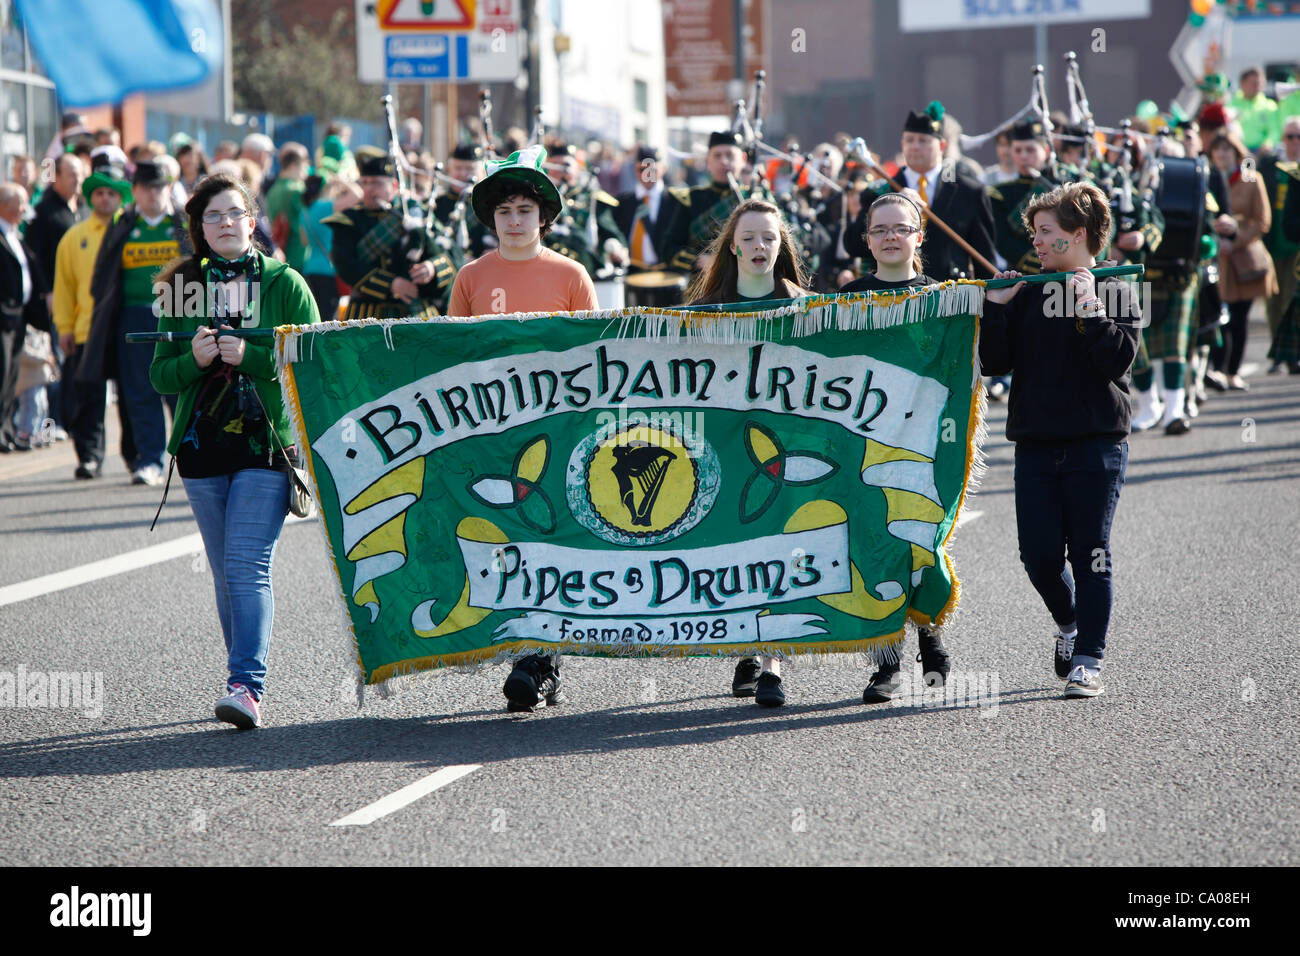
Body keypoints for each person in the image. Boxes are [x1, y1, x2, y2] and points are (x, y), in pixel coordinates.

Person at [149, 174, 321, 729]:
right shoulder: (179, 287)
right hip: (200, 448)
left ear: (253, 220)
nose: (225, 223)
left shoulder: (286, 282)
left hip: (265, 444)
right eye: (212, 216)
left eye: (234, 213)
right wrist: (192, 361)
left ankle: (246, 686)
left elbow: (313, 363)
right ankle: (239, 677)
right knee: (225, 573)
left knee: (247, 566)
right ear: (199, 228)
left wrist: (249, 355)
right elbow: (159, 376)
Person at [446, 147, 598, 712]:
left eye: (525, 210)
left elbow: (596, 356)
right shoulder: (471, 277)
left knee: (550, 534)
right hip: (492, 432)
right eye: (505, 210)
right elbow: (449, 358)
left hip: (557, 431)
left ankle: (539, 660)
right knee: (506, 538)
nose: (515, 220)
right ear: (492, 219)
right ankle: (523, 645)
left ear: (543, 218)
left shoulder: (571, 275)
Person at [981, 182, 1140, 699]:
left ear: (1078, 234)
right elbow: (993, 364)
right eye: (1035, 233)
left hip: (1097, 443)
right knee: (1039, 557)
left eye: (1046, 232)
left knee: (1091, 552)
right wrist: (998, 307)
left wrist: (1090, 307)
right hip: (1036, 443)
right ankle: (1068, 624)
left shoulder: (1116, 286)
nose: (1038, 242)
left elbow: (1117, 362)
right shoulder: (1026, 289)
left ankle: (1089, 659)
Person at [680, 198, 811, 707]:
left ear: (782, 248)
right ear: (733, 244)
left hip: (781, 449)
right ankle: (745, 649)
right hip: (724, 449)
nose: (760, 246)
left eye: (770, 239)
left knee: (778, 545)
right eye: (751, 237)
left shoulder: (807, 306)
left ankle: (773, 666)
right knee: (737, 547)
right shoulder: (704, 312)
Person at [837, 193, 954, 701]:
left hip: (925, 439)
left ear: (918, 237)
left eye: (900, 229)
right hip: (866, 440)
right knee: (875, 543)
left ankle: (931, 635)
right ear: (867, 240)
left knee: (921, 537)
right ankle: (885, 662)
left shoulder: (942, 296)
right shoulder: (849, 298)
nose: (890, 237)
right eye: (880, 229)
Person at [80, 160, 190, 485]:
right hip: (134, 318)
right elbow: (102, 276)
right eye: (147, 188)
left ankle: (188, 457)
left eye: (160, 187)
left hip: (179, 317)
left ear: (169, 189)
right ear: (136, 192)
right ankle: (149, 460)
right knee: (140, 391)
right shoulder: (123, 225)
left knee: (182, 389)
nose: (154, 194)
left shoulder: (183, 224)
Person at [843, 102, 997, 282]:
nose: (915, 147)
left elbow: (984, 256)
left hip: (951, 294)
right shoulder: (879, 192)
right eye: (909, 140)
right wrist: (895, 205)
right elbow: (854, 246)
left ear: (941, 146)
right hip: (894, 295)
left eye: (923, 141)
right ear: (902, 144)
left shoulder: (968, 191)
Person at [53, 158, 133, 477]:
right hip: (87, 329)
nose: (104, 198)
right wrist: (64, 327)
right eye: (98, 192)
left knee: (131, 397)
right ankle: (89, 457)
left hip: (125, 328)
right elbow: (64, 286)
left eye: (111, 193)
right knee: (89, 397)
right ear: (89, 197)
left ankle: (136, 456)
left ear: (120, 197)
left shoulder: (131, 230)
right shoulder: (74, 237)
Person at [325, 151, 454, 319]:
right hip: (366, 315)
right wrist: (391, 285)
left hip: (417, 312)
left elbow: (449, 256)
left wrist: (432, 268)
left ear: (394, 186)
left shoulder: (415, 213)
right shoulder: (348, 220)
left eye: (377, 183)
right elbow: (345, 266)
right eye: (364, 182)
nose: (369, 189)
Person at [1207, 133, 1278, 390]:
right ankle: (1215, 370)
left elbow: (1263, 221)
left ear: (1236, 152)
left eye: (1227, 149)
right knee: (1216, 318)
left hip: (1243, 262)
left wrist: (1235, 236)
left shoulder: (1249, 177)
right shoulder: (1207, 177)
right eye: (1218, 149)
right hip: (1214, 260)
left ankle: (1233, 371)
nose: (1222, 154)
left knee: (1238, 319)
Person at [0, 184, 51, 453]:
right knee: (1, 374)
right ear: (4, 205)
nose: (24, 208)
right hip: (3, 318)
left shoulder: (14, 234)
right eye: (19, 203)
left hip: (19, 318)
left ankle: (6, 429)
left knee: (11, 378)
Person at [662, 131, 748, 274]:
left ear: (743, 159)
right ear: (708, 162)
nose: (724, 161)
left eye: (730, 155)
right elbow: (669, 249)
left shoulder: (758, 196)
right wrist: (699, 260)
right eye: (717, 156)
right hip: (706, 287)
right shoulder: (692, 199)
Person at [1261, 117, 1300, 370]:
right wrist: (1252, 155)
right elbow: (1248, 174)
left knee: (1291, 299)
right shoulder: (1268, 164)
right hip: (1271, 242)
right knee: (1272, 301)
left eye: (1299, 137)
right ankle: (1278, 351)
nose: (1295, 142)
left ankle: (1292, 354)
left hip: (1295, 247)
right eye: (1290, 137)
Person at [265, 142, 310, 272]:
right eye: (305, 165)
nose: (307, 170)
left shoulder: (273, 189)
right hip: (298, 253)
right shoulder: (297, 189)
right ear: (293, 165)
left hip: (279, 250)